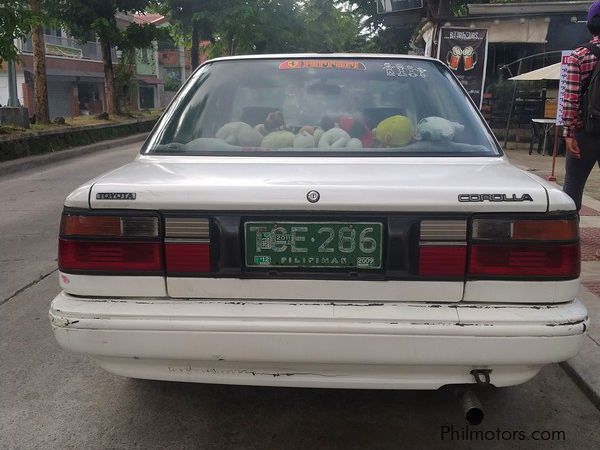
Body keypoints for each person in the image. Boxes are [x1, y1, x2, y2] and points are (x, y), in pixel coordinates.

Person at [563, 2, 600, 214]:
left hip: (585, 132)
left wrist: (568, 134)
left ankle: (569, 237)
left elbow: (571, 98)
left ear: (590, 25)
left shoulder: (580, 55)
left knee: (573, 186)